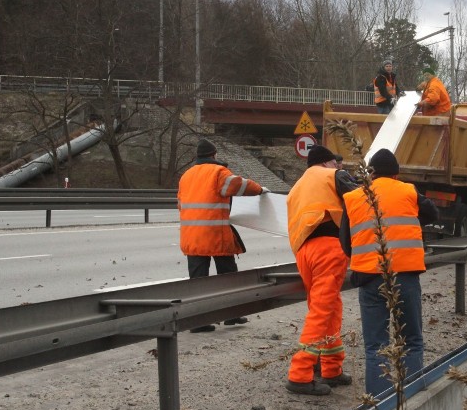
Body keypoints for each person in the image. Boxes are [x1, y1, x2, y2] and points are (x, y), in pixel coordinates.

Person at [340, 148, 439, 396]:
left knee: (376, 346)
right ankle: (413, 395)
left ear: (371, 174)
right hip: (405, 275)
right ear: (397, 174)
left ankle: (381, 404)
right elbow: (433, 213)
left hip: (370, 277)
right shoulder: (408, 191)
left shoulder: (353, 197)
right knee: (411, 341)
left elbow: (344, 242)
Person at [284, 145, 358, 396]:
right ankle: (300, 374)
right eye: (335, 163)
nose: (338, 167)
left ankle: (331, 369)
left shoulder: (296, 188)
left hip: (304, 252)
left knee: (329, 308)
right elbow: (361, 200)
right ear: (328, 163)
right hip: (329, 248)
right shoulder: (332, 175)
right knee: (322, 311)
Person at [178, 139, 266, 332]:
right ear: (214, 155)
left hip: (191, 236)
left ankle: (197, 322)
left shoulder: (186, 175)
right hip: (215, 234)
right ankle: (231, 315)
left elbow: (180, 205)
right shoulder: (218, 172)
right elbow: (238, 185)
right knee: (227, 276)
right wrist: (259, 190)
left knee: (198, 281)